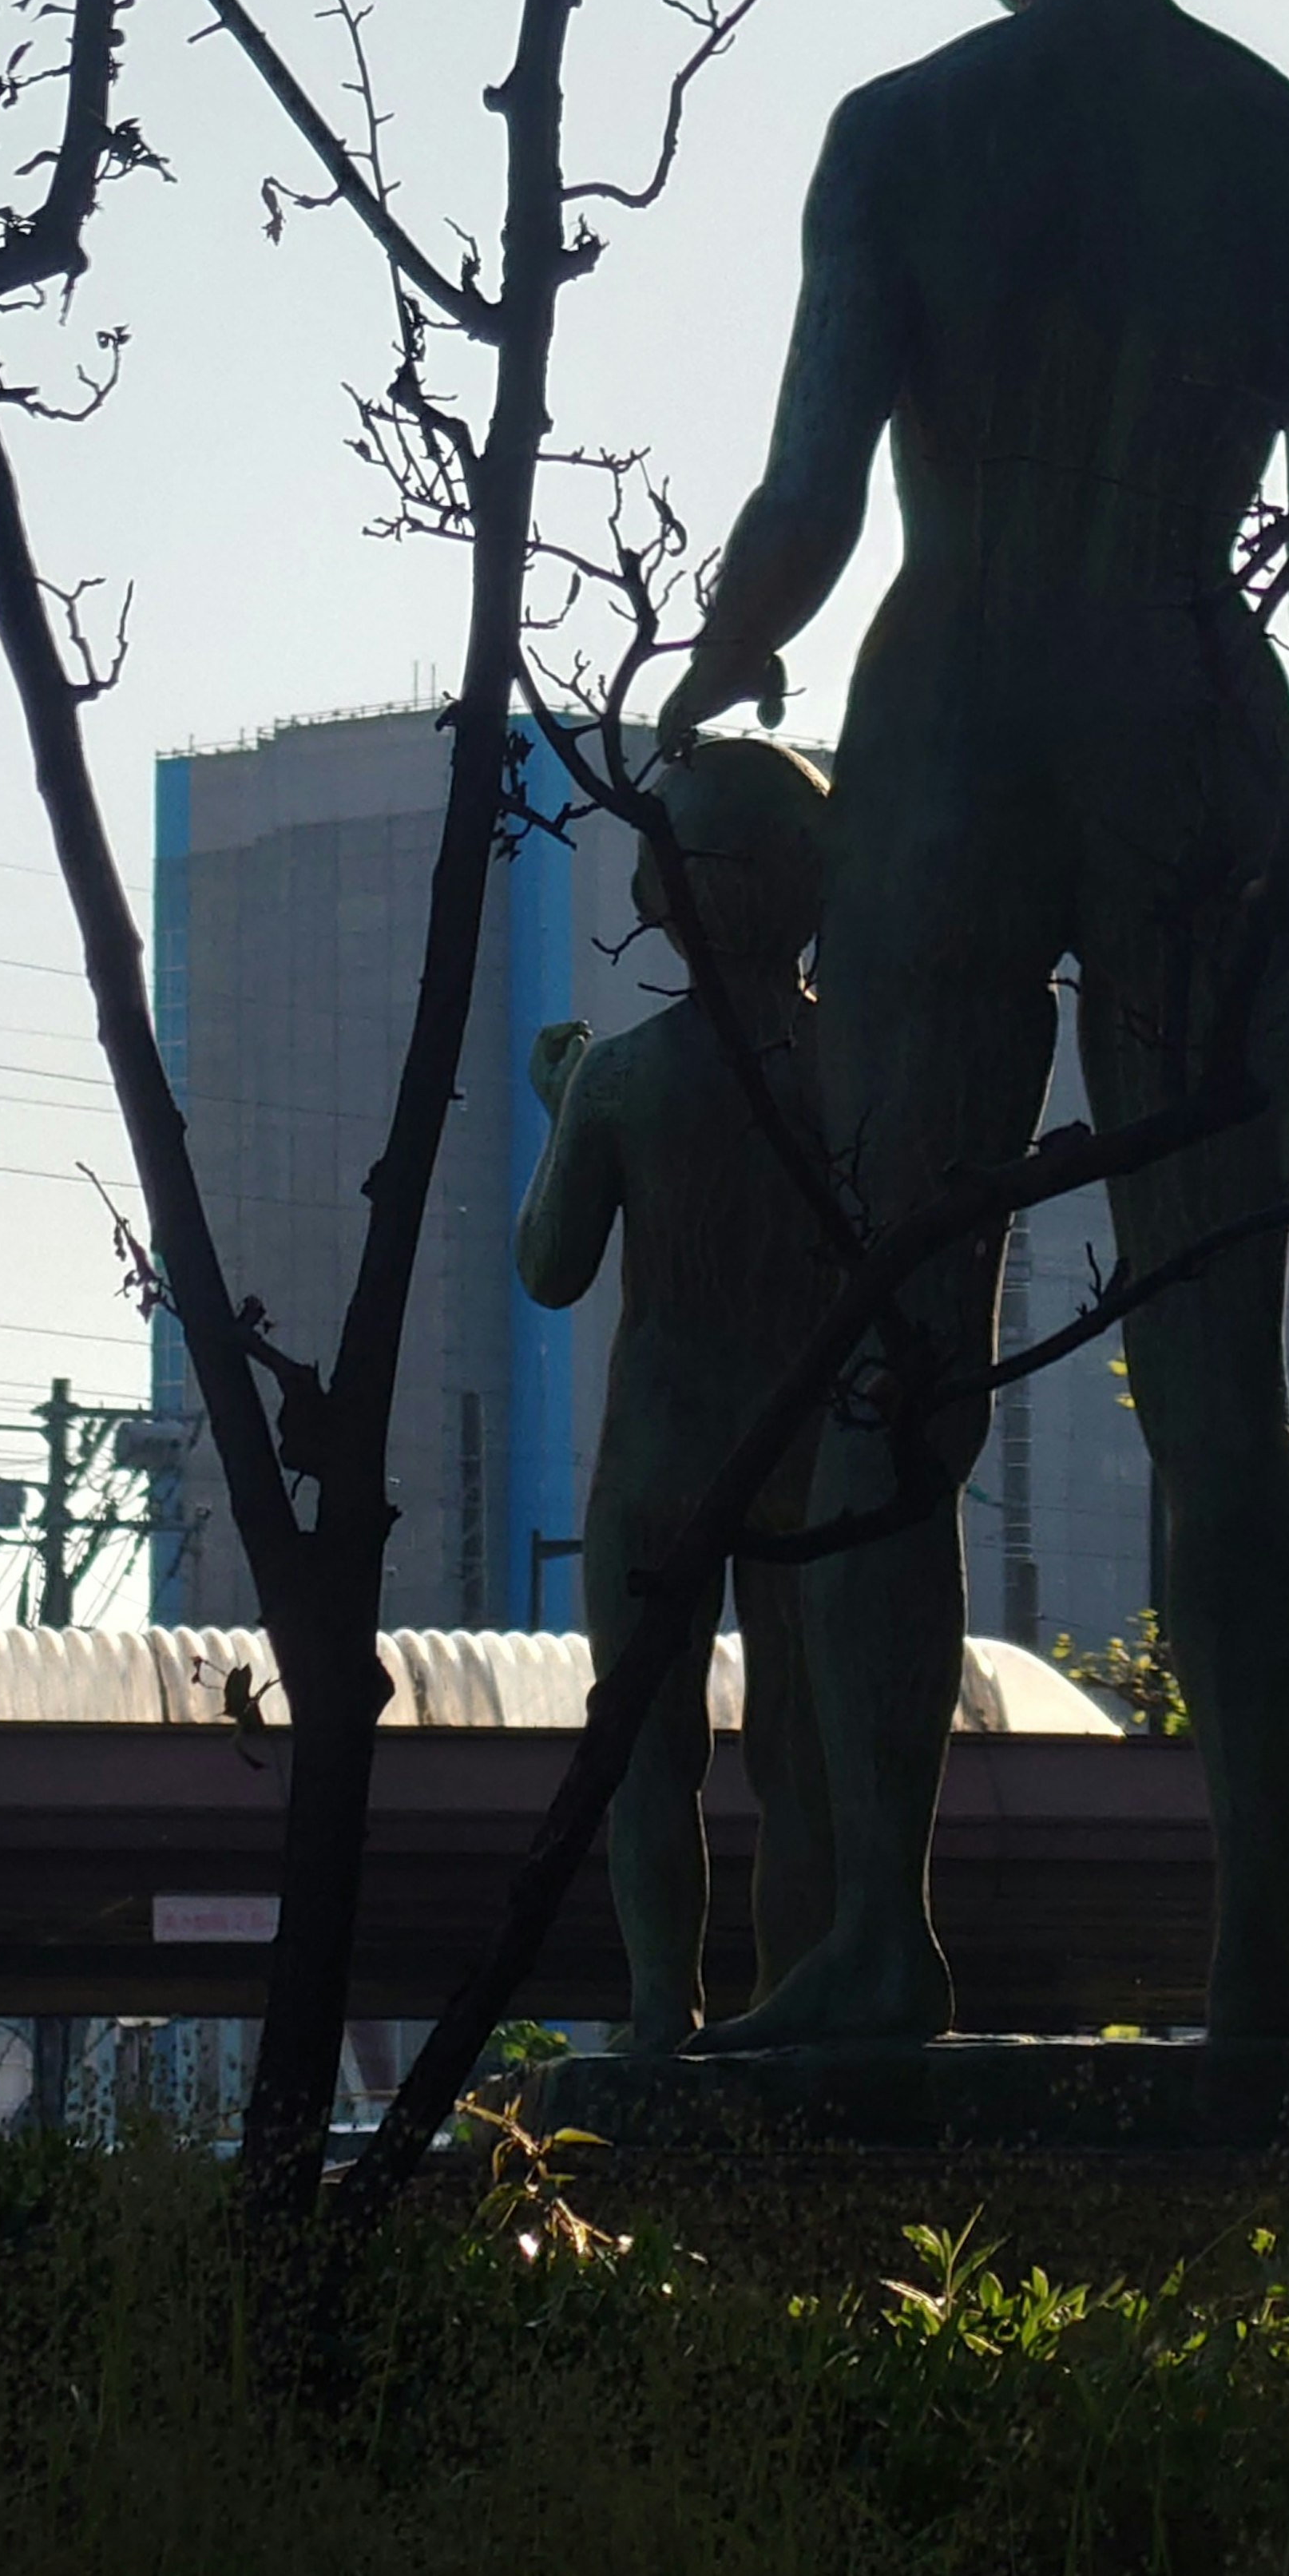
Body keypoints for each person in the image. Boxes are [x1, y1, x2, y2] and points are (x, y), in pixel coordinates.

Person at [657, 0, 1289, 2050]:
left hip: (954, 722)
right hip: (1193, 715)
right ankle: (1253, 1957)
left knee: (891, 1353)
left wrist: (713, 656)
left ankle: (877, 1933)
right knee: (1213, 1380)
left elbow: (810, 490)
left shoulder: (907, 135)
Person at [514, 739, 839, 2052]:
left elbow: (549, 1267)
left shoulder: (623, 1075)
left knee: (650, 1752)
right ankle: (802, 2005)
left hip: (654, 1457)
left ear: (663, 893)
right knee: (802, 1752)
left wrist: (559, 1108)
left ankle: (663, 2012)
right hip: (810, 1452)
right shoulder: (853, 1070)